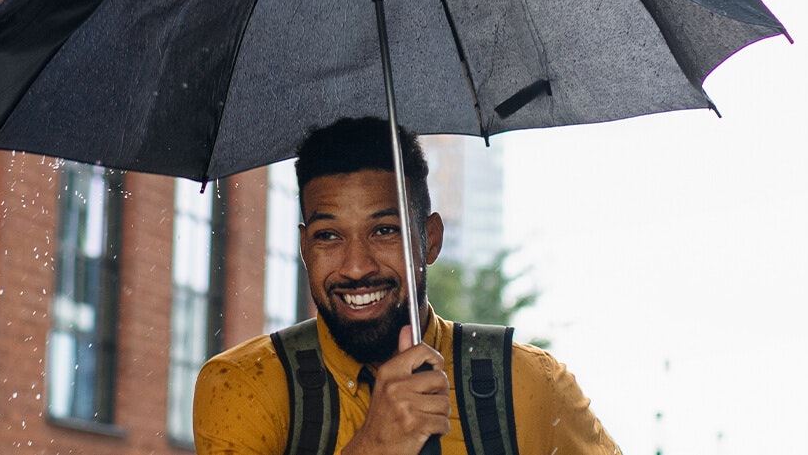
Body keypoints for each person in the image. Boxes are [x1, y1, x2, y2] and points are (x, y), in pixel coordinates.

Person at [194, 117, 620, 455]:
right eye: (329, 236)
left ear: (430, 238)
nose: (357, 267)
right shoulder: (244, 387)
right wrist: (376, 446)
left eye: (384, 230)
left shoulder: (526, 386)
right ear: (305, 247)